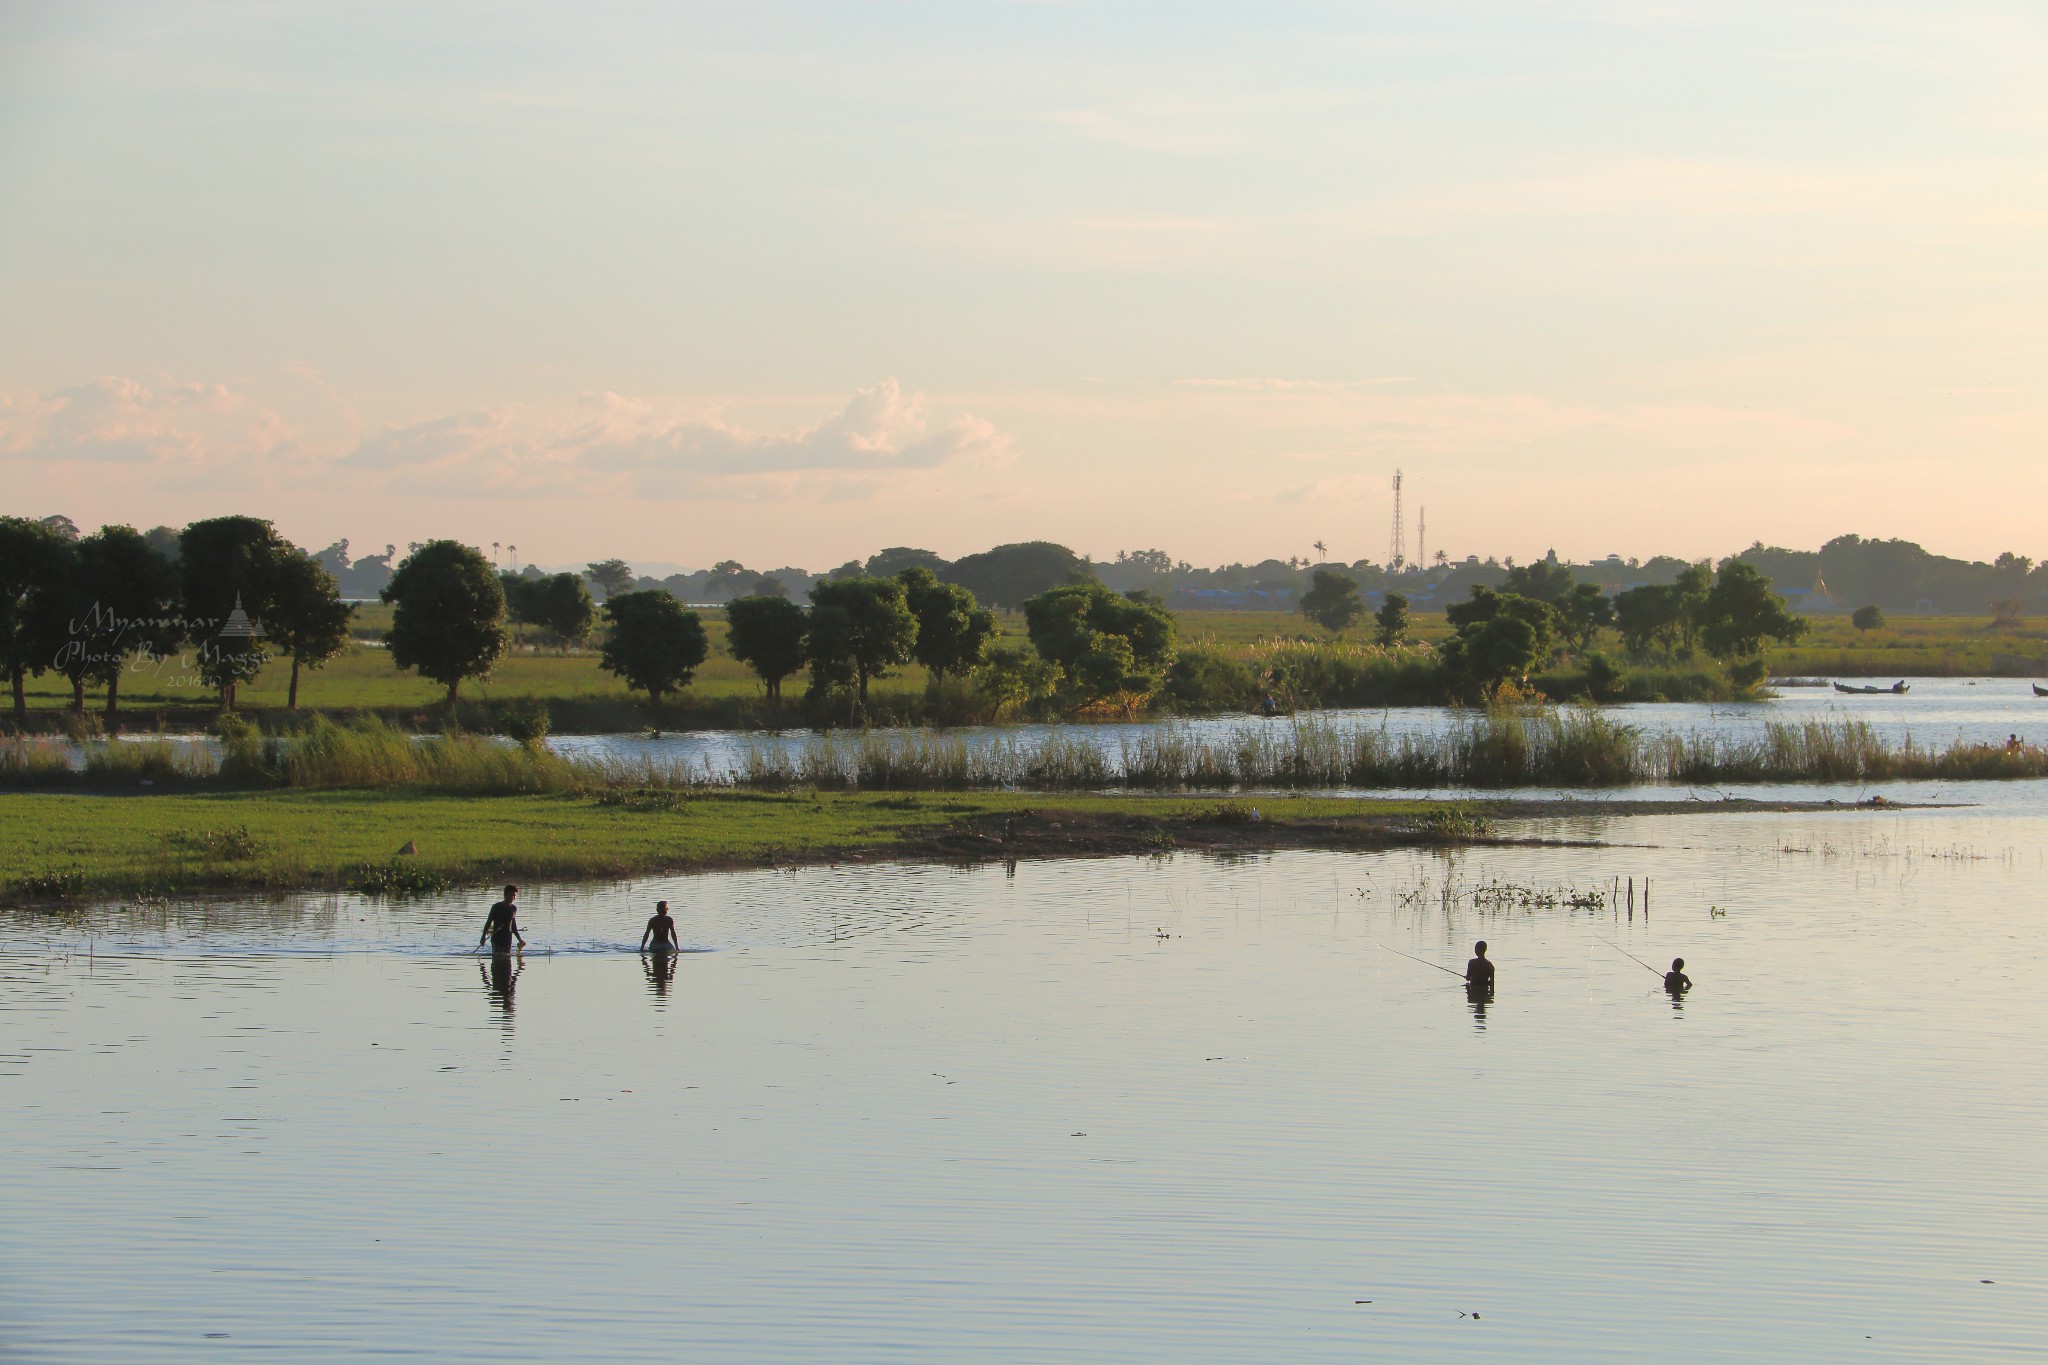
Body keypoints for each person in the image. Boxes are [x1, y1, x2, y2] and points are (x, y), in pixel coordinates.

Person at [479, 884, 525, 955]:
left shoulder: (513, 909)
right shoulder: (496, 907)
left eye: (514, 895)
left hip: (507, 939)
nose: (513, 897)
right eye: (511, 895)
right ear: (505, 895)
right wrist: (483, 937)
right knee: (496, 961)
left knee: (507, 961)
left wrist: (519, 939)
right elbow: (488, 922)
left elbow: (513, 926)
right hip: (497, 939)